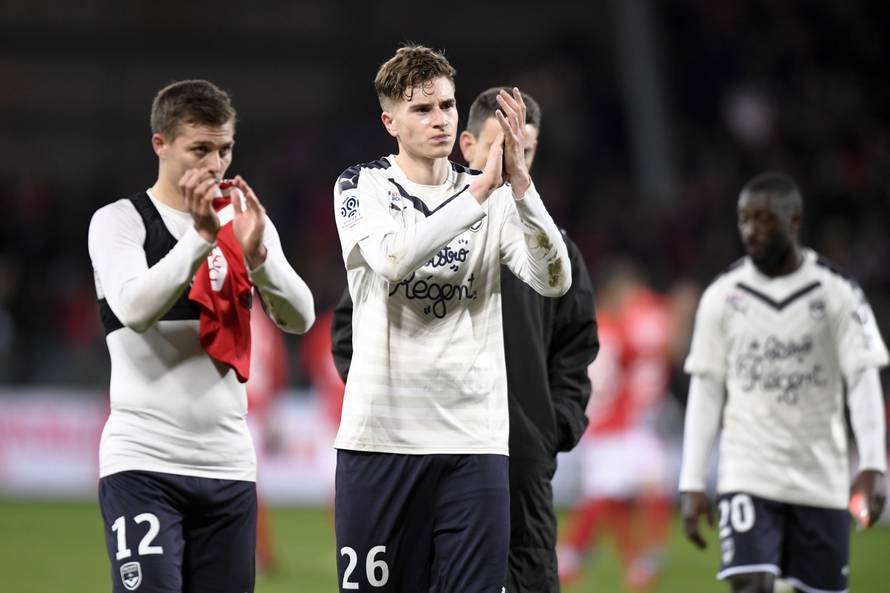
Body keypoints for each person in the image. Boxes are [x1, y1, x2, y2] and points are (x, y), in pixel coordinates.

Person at [331, 87, 598, 593]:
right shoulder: (393, 213)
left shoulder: (548, 240)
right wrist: (395, 394)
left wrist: (550, 430)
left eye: (528, 148)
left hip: (516, 464)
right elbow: (352, 327)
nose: (516, 157)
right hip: (412, 442)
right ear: (469, 145)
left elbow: (576, 347)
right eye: (504, 145)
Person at [88, 79, 315, 593]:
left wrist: (258, 259)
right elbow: (134, 308)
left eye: (225, 149)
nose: (215, 165)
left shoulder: (246, 221)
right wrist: (200, 238)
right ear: (160, 144)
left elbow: (298, 315)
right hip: (143, 463)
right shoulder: (121, 223)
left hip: (228, 467)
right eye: (200, 149)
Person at [678, 172, 888, 593]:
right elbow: (706, 390)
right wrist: (692, 481)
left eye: (764, 220)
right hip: (746, 470)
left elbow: (862, 380)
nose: (751, 231)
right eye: (743, 219)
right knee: (751, 584)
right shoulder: (722, 296)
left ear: (794, 222)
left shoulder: (837, 293)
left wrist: (872, 464)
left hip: (820, 475)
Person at [558, 260, 677, 590]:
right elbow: (652, 350)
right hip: (613, 426)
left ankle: (638, 561)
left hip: (603, 422)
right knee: (608, 497)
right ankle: (577, 556)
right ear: (614, 293)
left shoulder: (591, 326)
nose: (632, 299)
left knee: (625, 492)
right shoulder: (620, 330)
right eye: (627, 293)